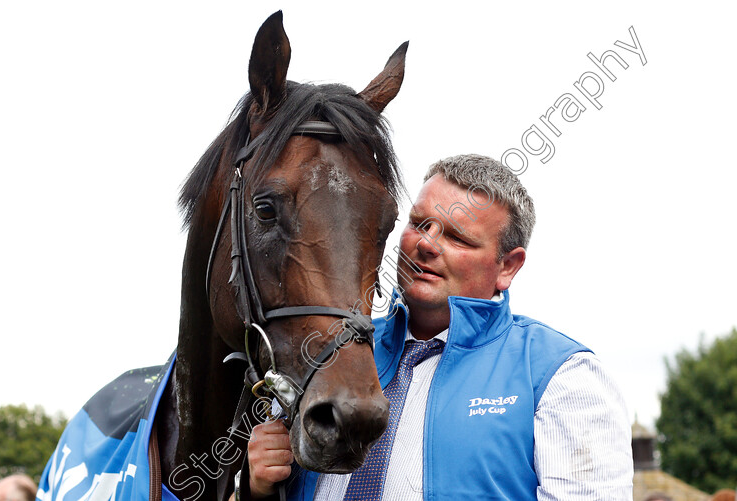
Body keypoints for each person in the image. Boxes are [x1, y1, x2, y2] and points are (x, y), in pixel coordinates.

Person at [244, 154, 633, 500]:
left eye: (457, 237)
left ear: (507, 266)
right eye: (419, 223)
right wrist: (258, 487)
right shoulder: (327, 352)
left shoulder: (563, 376)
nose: (426, 244)